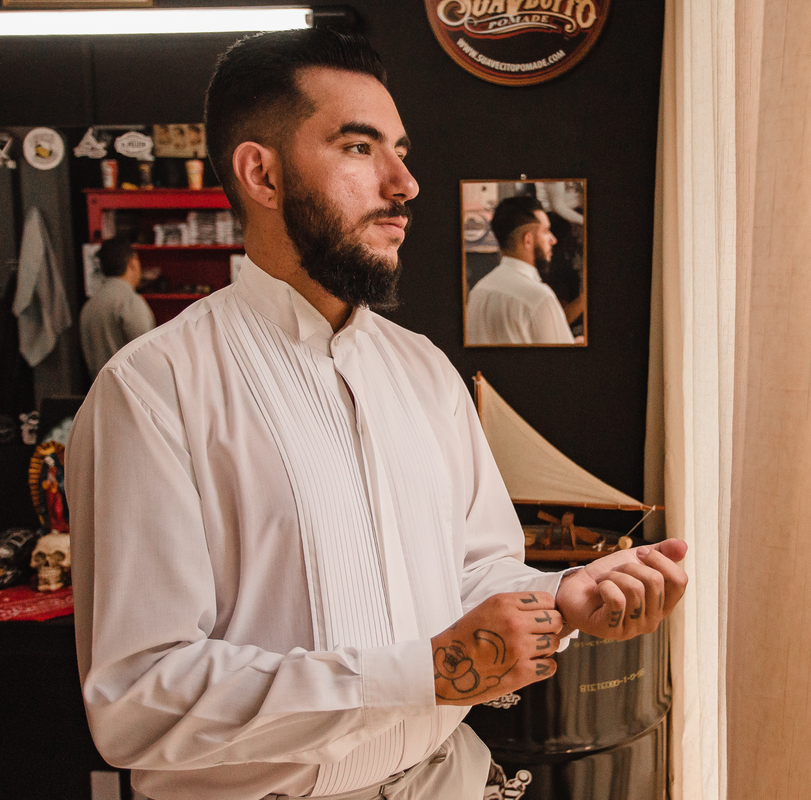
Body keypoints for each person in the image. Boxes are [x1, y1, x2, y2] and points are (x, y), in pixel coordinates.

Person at [65, 28, 687, 800]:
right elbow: (139, 700)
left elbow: (475, 569)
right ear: (262, 173)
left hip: (451, 781)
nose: (405, 183)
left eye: (401, 150)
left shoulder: (423, 371)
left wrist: (562, 597)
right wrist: (420, 674)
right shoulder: (152, 391)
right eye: (360, 148)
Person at [465, 195, 576, 345]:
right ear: (528, 239)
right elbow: (561, 357)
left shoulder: (478, 292)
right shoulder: (540, 297)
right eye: (545, 231)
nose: (553, 240)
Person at [78, 236, 155, 378]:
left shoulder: (89, 306)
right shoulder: (129, 301)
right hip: (129, 387)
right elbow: (146, 354)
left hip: (99, 387)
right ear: (132, 262)